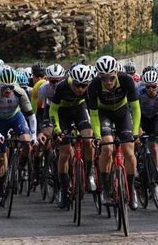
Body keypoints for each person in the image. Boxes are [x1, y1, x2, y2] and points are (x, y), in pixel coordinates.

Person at [87, 56, 141, 209]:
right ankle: (105, 188)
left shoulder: (126, 80)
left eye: (111, 78)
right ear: (99, 76)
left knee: (129, 151)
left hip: (122, 113)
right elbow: (94, 115)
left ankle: (131, 189)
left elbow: (135, 109)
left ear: (116, 73)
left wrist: (135, 132)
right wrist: (97, 136)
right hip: (104, 114)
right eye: (104, 78)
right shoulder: (94, 86)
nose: (108, 82)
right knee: (107, 148)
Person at [0, 69, 38, 206]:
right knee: (0, 157)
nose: (8, 91)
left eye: (11, 87)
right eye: (5, 88)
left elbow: (31, 116)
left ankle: (20, 167)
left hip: (15, 118)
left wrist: (34, 135)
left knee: (27, 142)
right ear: (0, 85)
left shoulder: (20, 92)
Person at [50, 64, 94, 209]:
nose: (80, 89)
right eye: (77, 85)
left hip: (79, 110)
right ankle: (63, 187)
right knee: (64, 153)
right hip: (63, 113)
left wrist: (96, 130)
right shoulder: (62, 86)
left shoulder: (90, 88)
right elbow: (53, 109)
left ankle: (88, 173)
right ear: (72, 81)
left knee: (88, 139)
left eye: (83, 86)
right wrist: (56, 129)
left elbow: (93, 111)